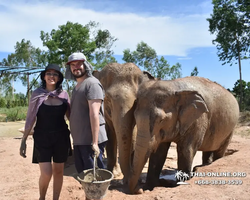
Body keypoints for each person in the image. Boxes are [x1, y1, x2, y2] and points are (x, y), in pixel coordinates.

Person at [19, 64, 71, 200]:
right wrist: (24, 140)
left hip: (61, 138)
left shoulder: (64, 95)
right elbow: (30, 117)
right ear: (44, 76)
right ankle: (42, 197)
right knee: (47, 173)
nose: (51, 76)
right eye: (49, 73)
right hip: (42, 138)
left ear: (59, 78)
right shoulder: (37, 94)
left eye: (55, 74)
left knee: (59, 172)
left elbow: (71, 117)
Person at [65, 52, 108, 176]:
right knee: (85, 177)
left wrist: (94, 143)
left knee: (95, 178)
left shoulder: (92, 84)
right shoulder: (77, 87)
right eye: (73, 65)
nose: (76, 67)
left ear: (85, 65)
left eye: (79, 63)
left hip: (91, 142)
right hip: (80, 141)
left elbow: (94, 114)